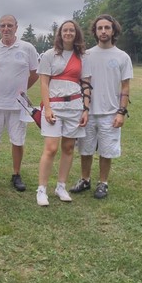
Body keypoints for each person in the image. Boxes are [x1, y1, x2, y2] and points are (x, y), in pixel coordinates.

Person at [71, 14, 133, 199]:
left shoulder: (122, 57)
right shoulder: (87, 55)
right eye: (100, 28)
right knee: (85, 148)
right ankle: (85, 179)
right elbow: (83, 83)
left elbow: (125, 86)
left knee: (107, 150)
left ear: (113, 30)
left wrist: (121, 111)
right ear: (95, 31)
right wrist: (83, 109)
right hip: (88, 112)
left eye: (107, 28)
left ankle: (103, 183)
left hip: (110, 113)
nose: (103, 31)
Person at [36, 20, 91, 206]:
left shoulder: (82, 57)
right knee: (51, 148)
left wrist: (85, 109)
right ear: (60, 33)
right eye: (65, 30)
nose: (68, 33)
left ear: (76, 34)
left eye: (72, 30)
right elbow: (43, 83)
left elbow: (86, 84)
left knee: (68, 148)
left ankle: (61, 186)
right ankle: (42, 189)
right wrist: (48, 107)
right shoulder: (50, 55)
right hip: (55, 107)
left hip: (75, 107)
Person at [0, 14, 39, 191]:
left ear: (16, 27)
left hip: (18, 106)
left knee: (18, 141)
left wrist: (20, 92)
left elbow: (34, 73)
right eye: (2, 26)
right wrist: (1, 90)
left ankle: (16, 174)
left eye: (9, 25)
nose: (6, 29)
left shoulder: (27, 48)